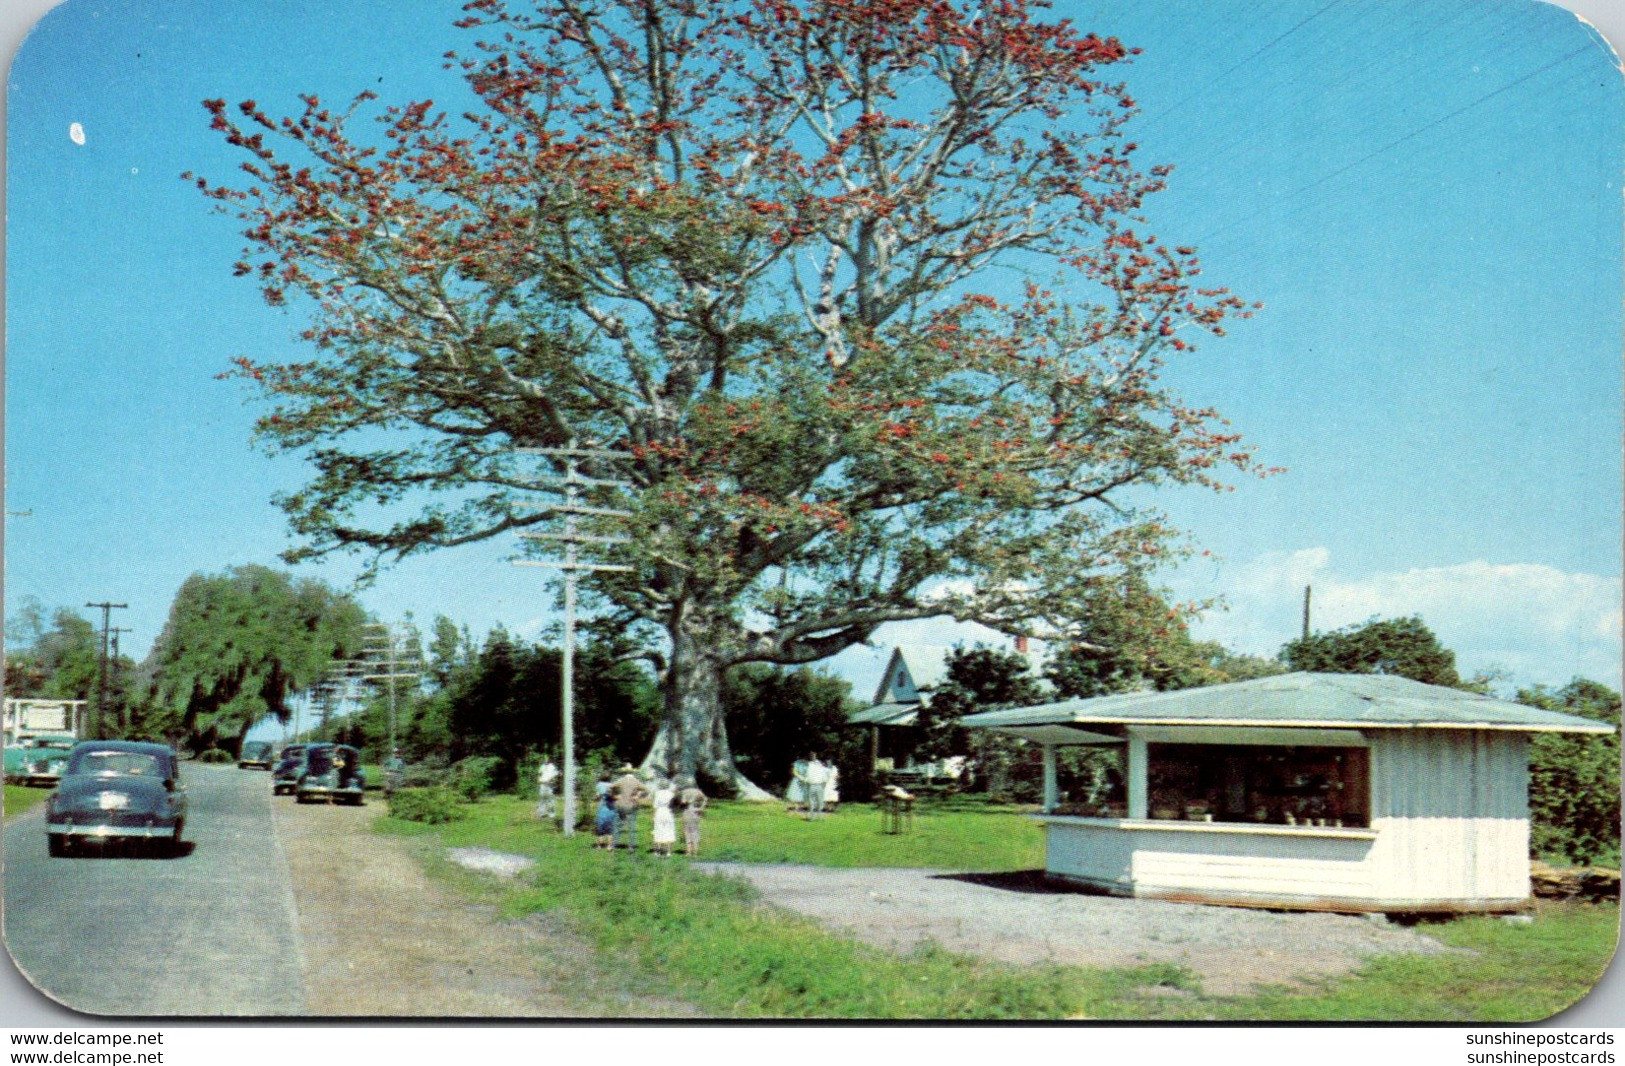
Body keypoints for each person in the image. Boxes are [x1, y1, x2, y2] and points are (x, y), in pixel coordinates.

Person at [610, 764, 648, 851]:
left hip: (620, 804)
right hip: (631, 805)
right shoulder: (636, 781)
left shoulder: (620, 780)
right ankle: (631, 845)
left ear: (624, 772)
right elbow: (646, 790)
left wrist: (614, 796)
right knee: (631, 825)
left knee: (617, 825)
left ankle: (614, 844)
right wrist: (638, 796)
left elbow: (609, 788)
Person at [677, 775, 707, 857]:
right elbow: (705, 799)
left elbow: (683, 802)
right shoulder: (698, 791)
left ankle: (688, 852)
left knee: (687, 831)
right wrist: (701, 807)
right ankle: (695, 852)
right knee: (695, 831)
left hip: (687, 811)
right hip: (696, 811)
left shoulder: (685, 791)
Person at [650, 778, 677, 857]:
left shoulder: (657, 793)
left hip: (659, 812)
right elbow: (674, 805)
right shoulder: (671, 794)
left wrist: (653, 815)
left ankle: (657, 851)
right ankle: (668, 851)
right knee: (669, 830)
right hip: (668, 812)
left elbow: (655, 805)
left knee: (658, 830)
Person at [801, 755, 831, 820]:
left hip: (819, 785)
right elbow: (806, 775)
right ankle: (812, 817)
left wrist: (824, 783)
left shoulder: (820, 766)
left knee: (820, 801)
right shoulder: (809, 765)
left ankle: (820, 817)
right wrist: (806, 782)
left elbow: (824, 775)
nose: (813, 757)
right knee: (811, 802)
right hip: (811, 785)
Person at [593, 774, 616, 850]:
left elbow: (597, 796)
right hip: (611, 809)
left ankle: (599, 845)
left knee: (600, 828)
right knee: (610, 829)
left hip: (602, 809)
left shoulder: (599, 785)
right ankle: (609, 846)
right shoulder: (612, 785)